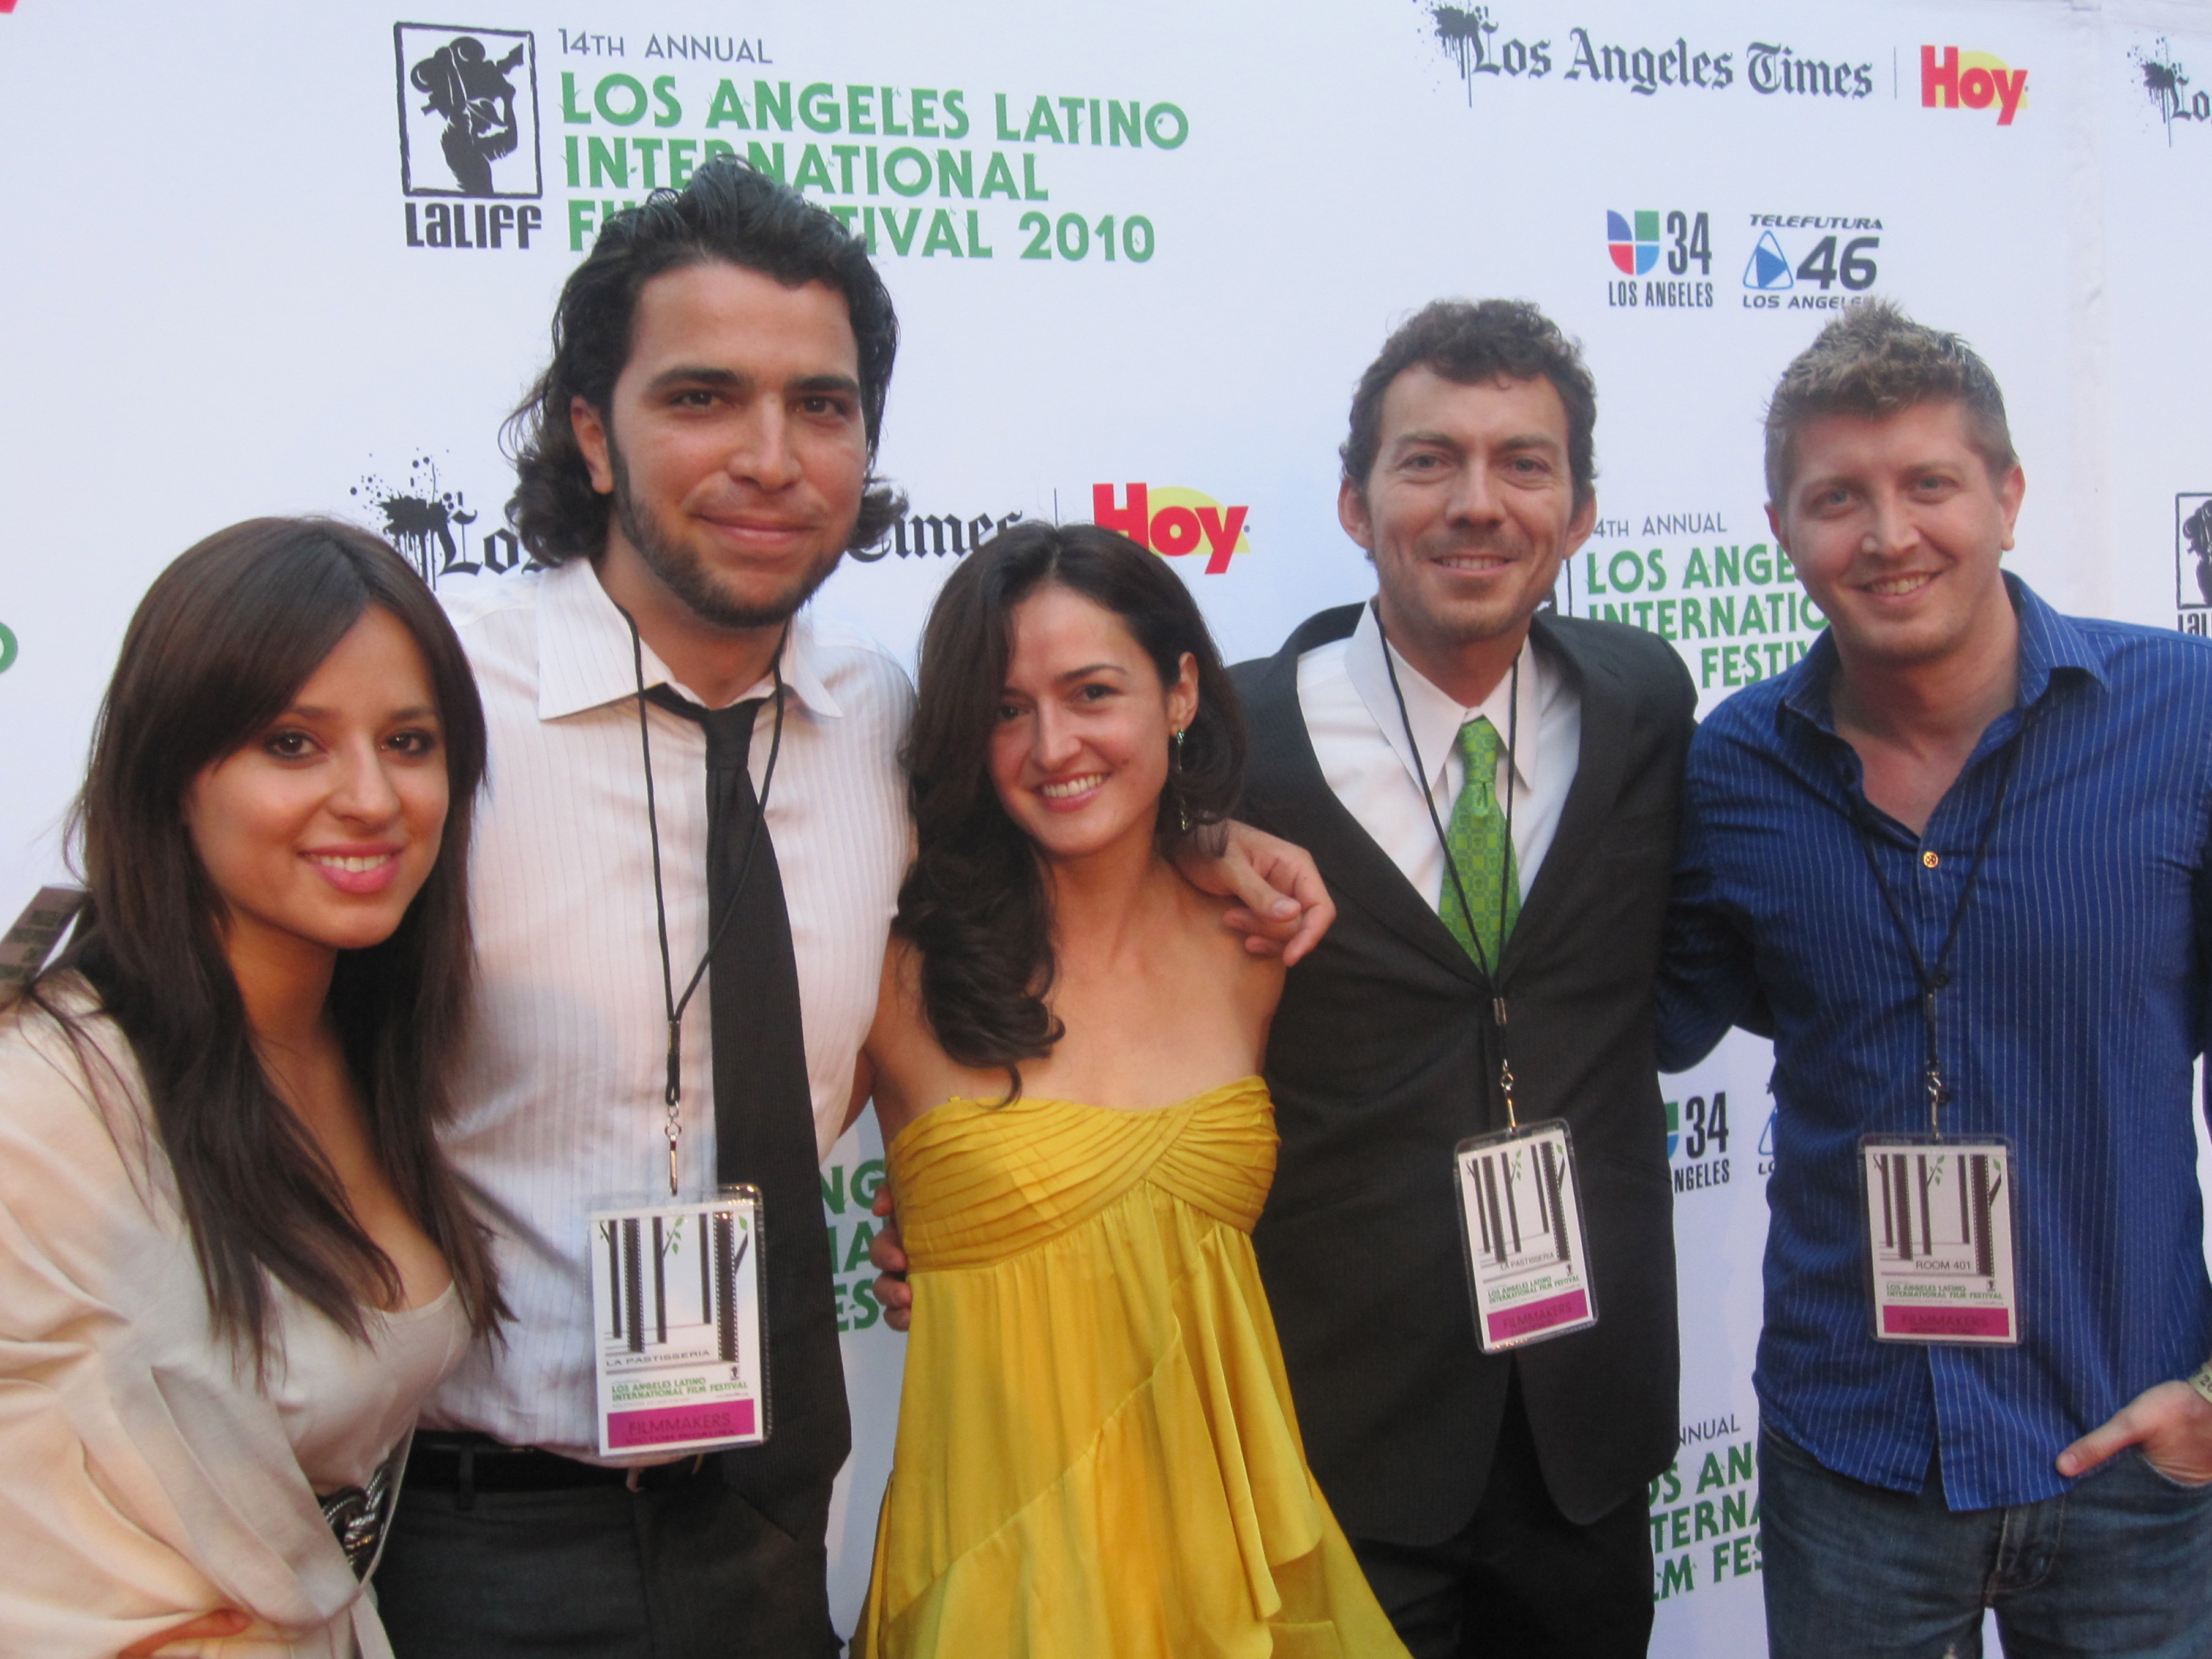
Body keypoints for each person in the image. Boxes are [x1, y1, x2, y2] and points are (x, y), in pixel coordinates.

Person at [371, 159, 1331, 1659]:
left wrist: (1212, 835)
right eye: (702, 396)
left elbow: (1061, 833)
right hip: (484, 1529)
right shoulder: (431, 703)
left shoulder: (882, 723)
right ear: (591, 434)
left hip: (772, 1513)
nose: (772, 456)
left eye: (820, 405)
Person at [1658, 300, 2212, 1657]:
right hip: (1852, 1457)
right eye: (1837, 496)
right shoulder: (1731, 768)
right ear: (1783, 527)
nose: (1889, 534)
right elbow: (1647, 1013)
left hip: (2136, 1446)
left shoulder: (2186, 720)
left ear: (2009, 496)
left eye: (1930, 484)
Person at [853, 521, 1407, 1657]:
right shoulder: (890, 969)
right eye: (1007, 709)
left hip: (1230, 1563)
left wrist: (1206, 833)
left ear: (1181, 690)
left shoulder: (1255, 939)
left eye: (1092, 690)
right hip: (999, 1575)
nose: (1053, 744)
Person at [1233, 300, 1691, 1657]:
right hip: (1340, 1441)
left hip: (1585, 1442)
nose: (1477, 503)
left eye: (1524, 463)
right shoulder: (1234, 744)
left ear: (1583, 511)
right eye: (1429, 460)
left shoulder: (1642, 701)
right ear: (1354, 503)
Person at [0, 517, 505, 1657]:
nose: (371, 797)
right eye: (292, 743)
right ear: (172, 771)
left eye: (411, 741)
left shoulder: (365, 1046)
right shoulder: (48, 1106)